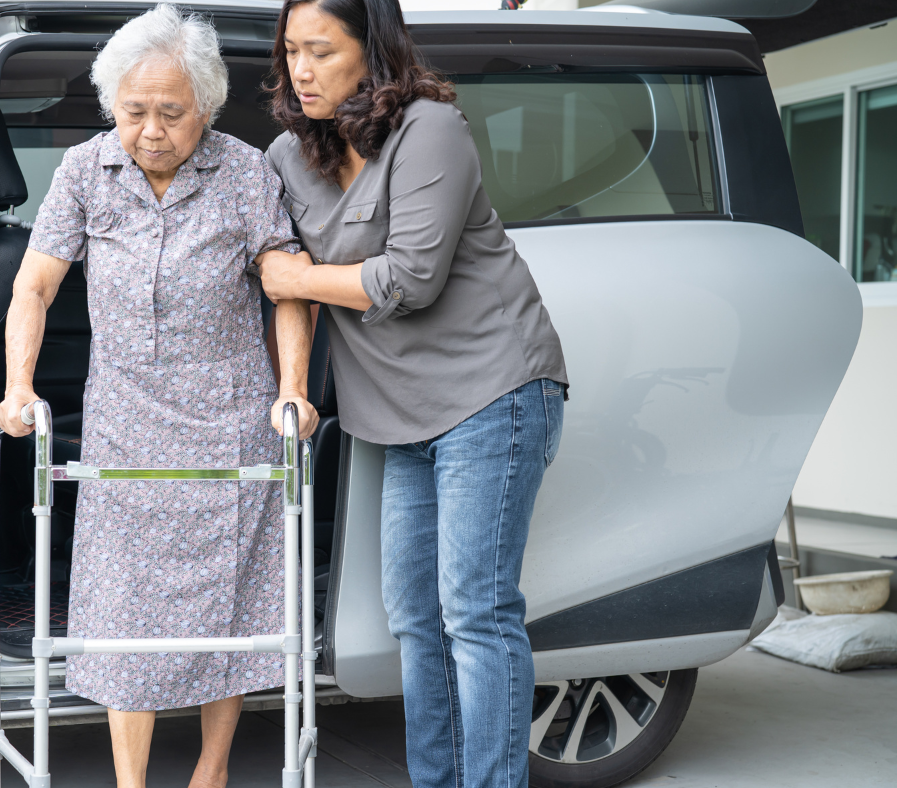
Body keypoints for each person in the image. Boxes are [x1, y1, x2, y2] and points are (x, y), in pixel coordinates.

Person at [0, 6, 317, 788]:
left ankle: (212, 771)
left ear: (206, 106)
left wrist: (293, 391)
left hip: (227, 422)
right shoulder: (85, 170)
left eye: (171, 113)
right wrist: (18, 385)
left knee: (228, 608)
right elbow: (34, 286)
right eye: (134, 110)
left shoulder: (244, 172)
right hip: (124, 425)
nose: (150, 130)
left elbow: (288, 288)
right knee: (124, 614)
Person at [256, 0, 568, 786]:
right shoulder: (287, 157)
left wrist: (299, 277)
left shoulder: (430, 128)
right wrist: (292, 378)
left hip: (492, 391)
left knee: (476, 613)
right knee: (416, 620)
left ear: (372, 49)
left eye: (322, 50)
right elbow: (277, 273)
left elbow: (411, 279)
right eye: (291, 50)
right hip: (399, 421)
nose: (301, 70)